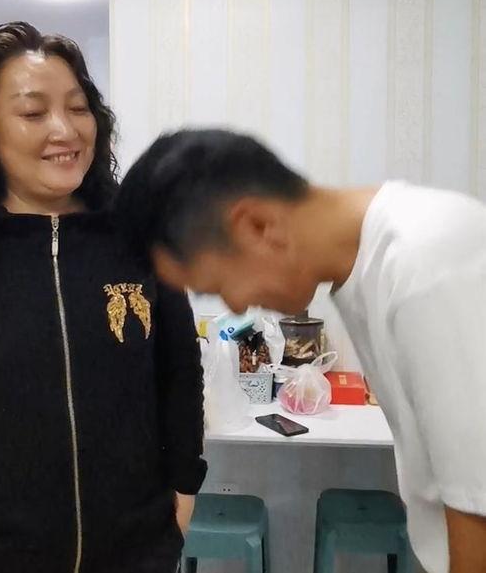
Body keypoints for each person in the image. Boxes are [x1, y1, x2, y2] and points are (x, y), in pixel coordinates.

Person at [116, 128, 486, 573]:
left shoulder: (422, 260)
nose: (236, 305)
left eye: (217, 285)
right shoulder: (369, 271)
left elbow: (477, 512)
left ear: (257, 226)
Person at [0, 22, 206, 573]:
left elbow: (179, 369)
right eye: (33, 112)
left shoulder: (139, 235)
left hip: (136, 548)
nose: (64, 129)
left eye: (78, 107)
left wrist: (184, 490)